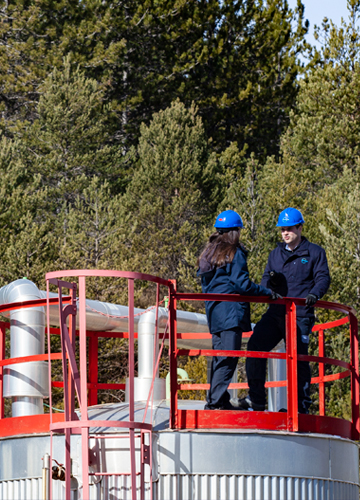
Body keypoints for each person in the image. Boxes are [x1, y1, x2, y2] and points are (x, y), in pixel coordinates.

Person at [238, 207, 331, 414]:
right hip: (276, 314)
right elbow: (264, 281)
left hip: (299, 315)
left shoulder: (315, 252)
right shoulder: (275, 254)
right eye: (282, 229)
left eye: (289, 229)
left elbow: (323, 278)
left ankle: (300, 408)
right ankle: (257, 400)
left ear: (300, 227)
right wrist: (269, 286)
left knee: (298, 358)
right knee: (255, 346)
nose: (285, 233)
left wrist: (315, 294)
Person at [197, 210, 281, 410]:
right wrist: (265, 292)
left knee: (220, 356)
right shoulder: (234, 252)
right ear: (235, 231)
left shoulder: (209, 253)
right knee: (228, 356)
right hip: (230, 314)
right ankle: (215, 402)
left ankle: (219, 398)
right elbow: (241, 284)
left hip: (215, 313)